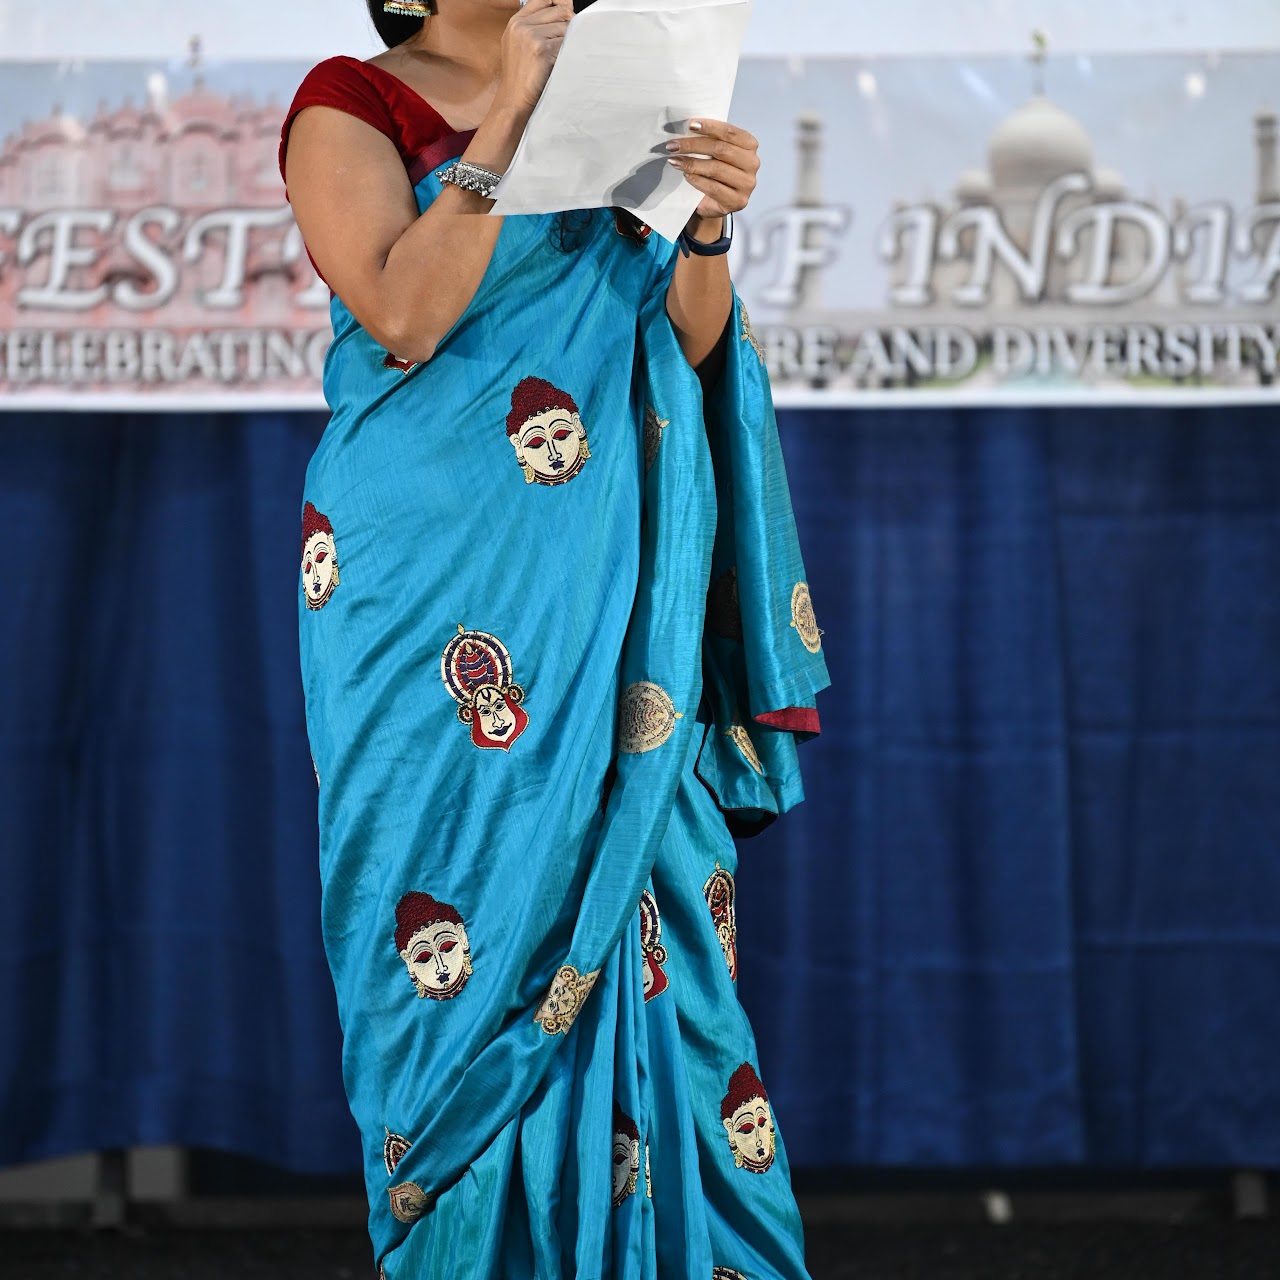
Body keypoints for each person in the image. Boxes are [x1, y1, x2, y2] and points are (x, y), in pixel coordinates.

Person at [279, 1, 830, 1275]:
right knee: (449, 921)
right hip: (426, 590)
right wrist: (512, 119)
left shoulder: (627, 81)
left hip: (606, 585)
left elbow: (685, 341)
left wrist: (707, 223)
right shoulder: (353, 100)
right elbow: (403, 313)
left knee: (654, 927)